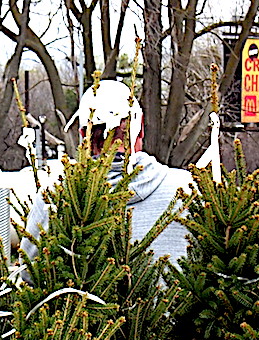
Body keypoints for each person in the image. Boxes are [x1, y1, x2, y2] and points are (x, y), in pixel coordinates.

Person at [23, 80, 194, 262]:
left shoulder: (54, 197)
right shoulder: (188, 189)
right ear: (141, 127)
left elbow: (30, 271)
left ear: (84, 135)